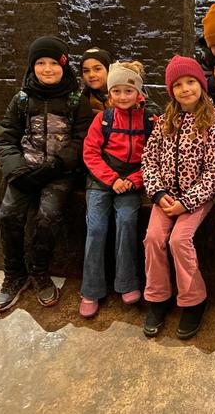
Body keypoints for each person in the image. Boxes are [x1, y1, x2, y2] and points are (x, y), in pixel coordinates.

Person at [0, 35, 92, 312]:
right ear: (32, 66)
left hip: (60, 173)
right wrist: (17, 170)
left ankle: (39, 271)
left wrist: (56, 166)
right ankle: (14, 274)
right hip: (24, 170)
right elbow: (5, 139)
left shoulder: (76, 101)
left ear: (64, 66)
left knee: (48, 216)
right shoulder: (21, 100)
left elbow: (81, 140)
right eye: (40, 63)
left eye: (53, 63)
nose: (47, 69)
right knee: (8, 214)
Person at [141, 56, 215, 339]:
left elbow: (214, 171)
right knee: (153, 238)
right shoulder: (165, 121)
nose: (185, 89)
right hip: (165, 196)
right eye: (177, 85)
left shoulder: (211, 123)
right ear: (171, 90)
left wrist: (187, 202)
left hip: (196, 198)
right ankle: (158, 296)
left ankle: (193, 300)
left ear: (201, 84)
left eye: (191, 82)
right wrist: (158, 192)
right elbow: (149, 159)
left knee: (179, 240)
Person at [79, 61, 156, 318]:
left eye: (128, 91)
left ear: (138, 92)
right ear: (110, 93)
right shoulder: (103, 119)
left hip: (131, 181)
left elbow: (155, 157)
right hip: (101, 180)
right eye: (117, 91)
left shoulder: (150, 120)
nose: (122, 97)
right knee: (96, 227)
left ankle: (127, 282)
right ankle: (91, 289)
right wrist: (112, 179)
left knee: (126, 221)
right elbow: (90, 153)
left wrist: (135, 180)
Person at [80, 47, 113, 114]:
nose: (91, 75)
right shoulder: (82, 98)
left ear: (109, 70)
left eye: (97, 69)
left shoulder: (125, 93)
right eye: (86, 71)